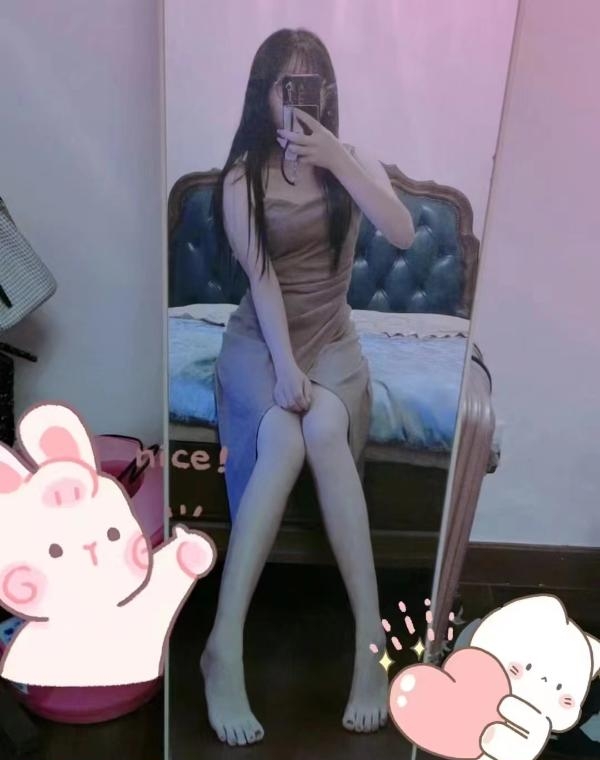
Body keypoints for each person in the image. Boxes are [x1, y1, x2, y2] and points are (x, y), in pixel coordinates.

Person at [200, 27, 415, 747]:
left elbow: (402, 232)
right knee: (285, 434)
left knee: (324, 425)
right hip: (261, 339)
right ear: (262, 95)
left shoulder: (351, 162)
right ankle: (223, 644)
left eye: (310, 84)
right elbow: (262, 281)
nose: (298, 99)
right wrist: (286, 367)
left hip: (335, 338)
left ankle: (369, 644)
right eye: (284, 85)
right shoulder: (242, 177)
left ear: (327, 93)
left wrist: (339, 162)